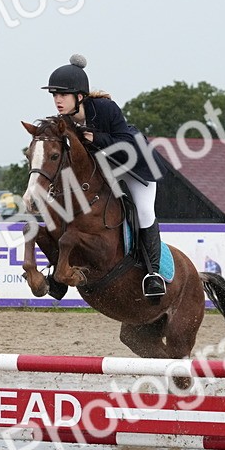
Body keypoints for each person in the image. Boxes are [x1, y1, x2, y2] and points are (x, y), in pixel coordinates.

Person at [42, 54, 167, 299]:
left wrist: (96, 138)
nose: (57, 100)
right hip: (107, 169)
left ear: (79, 97)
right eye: (54, 95)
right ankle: (58, 270)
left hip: (137, 166)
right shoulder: (65, 121)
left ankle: (153, 274)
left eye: (62, 95)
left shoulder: (105, 109)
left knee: (144, 212)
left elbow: (126, 143)